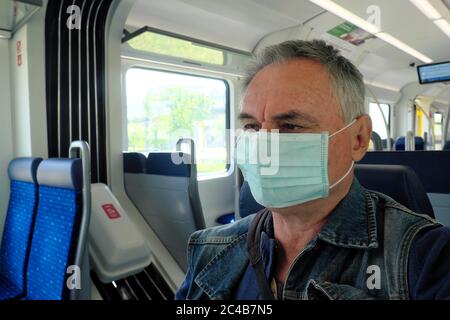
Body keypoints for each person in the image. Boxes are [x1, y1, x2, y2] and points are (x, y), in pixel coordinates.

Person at [176, 39, 450, 300]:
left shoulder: (425, 258)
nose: (263, 145)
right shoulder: (210, 250)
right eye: (252, 127)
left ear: (358, 138)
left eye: (291, 126)